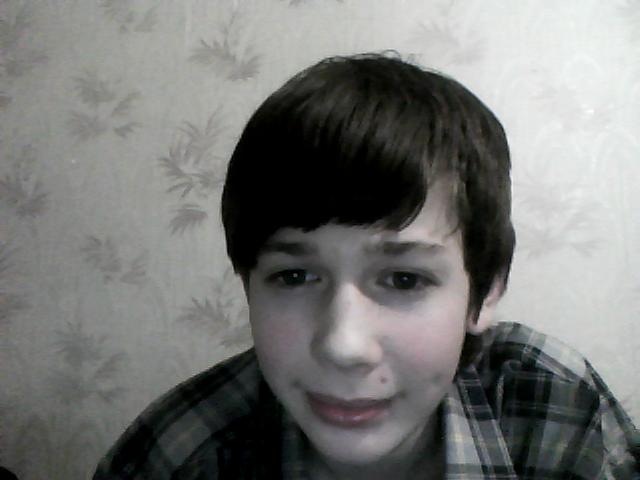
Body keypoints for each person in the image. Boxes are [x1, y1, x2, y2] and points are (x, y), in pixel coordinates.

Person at [94, 53, 639, 479]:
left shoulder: (555, 408)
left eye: (404, 279)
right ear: (248, 284)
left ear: (487, 290)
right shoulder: (177, 455)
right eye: (294, 277)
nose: (344, 345)